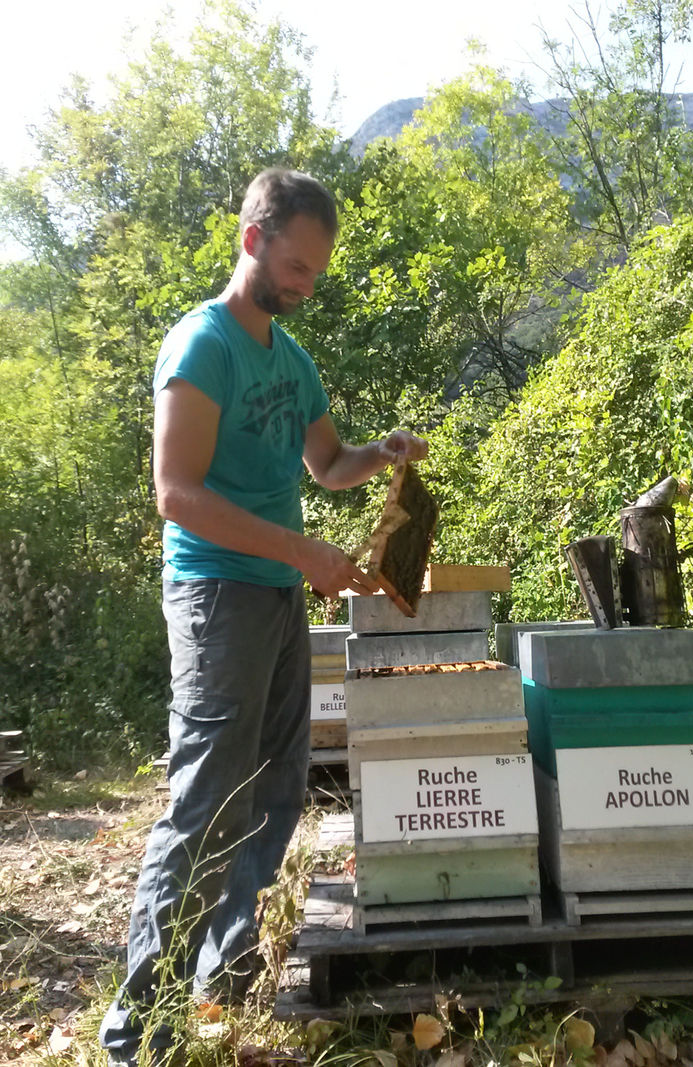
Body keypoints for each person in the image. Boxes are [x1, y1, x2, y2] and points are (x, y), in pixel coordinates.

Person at [99, 168, 428, 1065]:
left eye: (316, 272)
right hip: (215, 596)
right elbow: (176, 494)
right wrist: (303, 554)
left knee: (277, 790)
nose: (304, 284)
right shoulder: (202, 346)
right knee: (205, 799)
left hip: (280, 597)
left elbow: (326, 464)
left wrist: (381, 453)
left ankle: (221, 973)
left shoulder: (293, 359)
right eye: (294, 265)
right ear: (252, 239)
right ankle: (139, 1031)